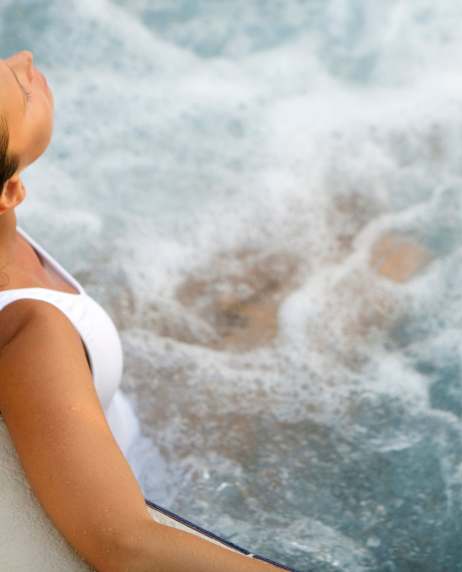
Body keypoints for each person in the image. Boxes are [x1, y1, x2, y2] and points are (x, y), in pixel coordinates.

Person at [0, 50, 281, 571]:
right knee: (378, 271)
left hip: (107, 405)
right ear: (11, 191)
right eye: (23, 91)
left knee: (280, 267)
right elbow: (127, 546)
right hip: (160, 480)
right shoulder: (31, 333)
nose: (25, 58)